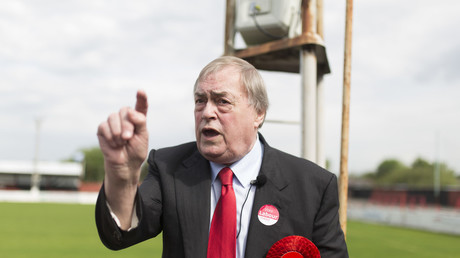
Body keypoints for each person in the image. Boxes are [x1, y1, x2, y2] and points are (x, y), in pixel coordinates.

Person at [95, 56, 348, 257]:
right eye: (200, 100)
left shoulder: (313, 185)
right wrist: (123, 175)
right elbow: (123, 232)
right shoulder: (169, 167)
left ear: (258, 113)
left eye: (222, 101)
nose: (207, 112)